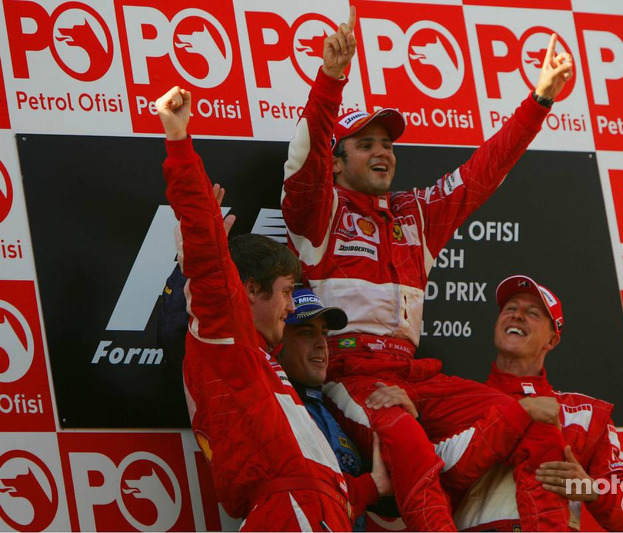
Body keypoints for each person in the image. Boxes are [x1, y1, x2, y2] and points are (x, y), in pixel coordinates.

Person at [282, 7, 575, 531]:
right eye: (365, 144)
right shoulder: (317, 211)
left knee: (530, 420)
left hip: (416, 376)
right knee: (404, 435)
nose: (382, 153)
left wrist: (540, 101)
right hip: (352, 376)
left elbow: (483, 172)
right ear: (338, 161)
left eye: (388, 145)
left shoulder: (416, 213)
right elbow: (304, 160)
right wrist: (330, 79)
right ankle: (428, 491)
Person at [157, 86, 353, 532]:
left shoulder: (260, 359)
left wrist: (364, 488)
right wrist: (179, 140)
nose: (291, 307)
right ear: (247, 290)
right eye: (286, 293)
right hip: (291, 514)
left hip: (314, 512)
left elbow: (317, 475)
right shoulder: (226, 340)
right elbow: (208, 257)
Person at [453, 275, 623, 531]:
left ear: (552, 340)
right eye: (510, 308)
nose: (517, 316)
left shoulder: (586, 415)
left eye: (532, 313)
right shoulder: (457, 401)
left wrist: (590, 488)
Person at [276, 286, 418, 530]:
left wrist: (410, 425)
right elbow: (303, 496)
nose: (322, 343)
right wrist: (371, 487)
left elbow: (391, 503)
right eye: (307, 332)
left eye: (324, 333)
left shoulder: (338, 411)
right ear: (278, 341)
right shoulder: (275, 406)